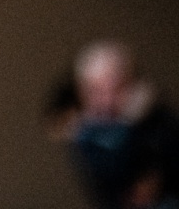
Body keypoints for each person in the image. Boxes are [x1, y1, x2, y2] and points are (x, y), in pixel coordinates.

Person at [70, 41, 179, 209]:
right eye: (96, 91)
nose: (107, 101)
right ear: (82, 93)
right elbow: (113, 186)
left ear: (134, 85)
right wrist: (128, 125)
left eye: (116, 88)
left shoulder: (161, 120)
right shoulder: (86, 136)